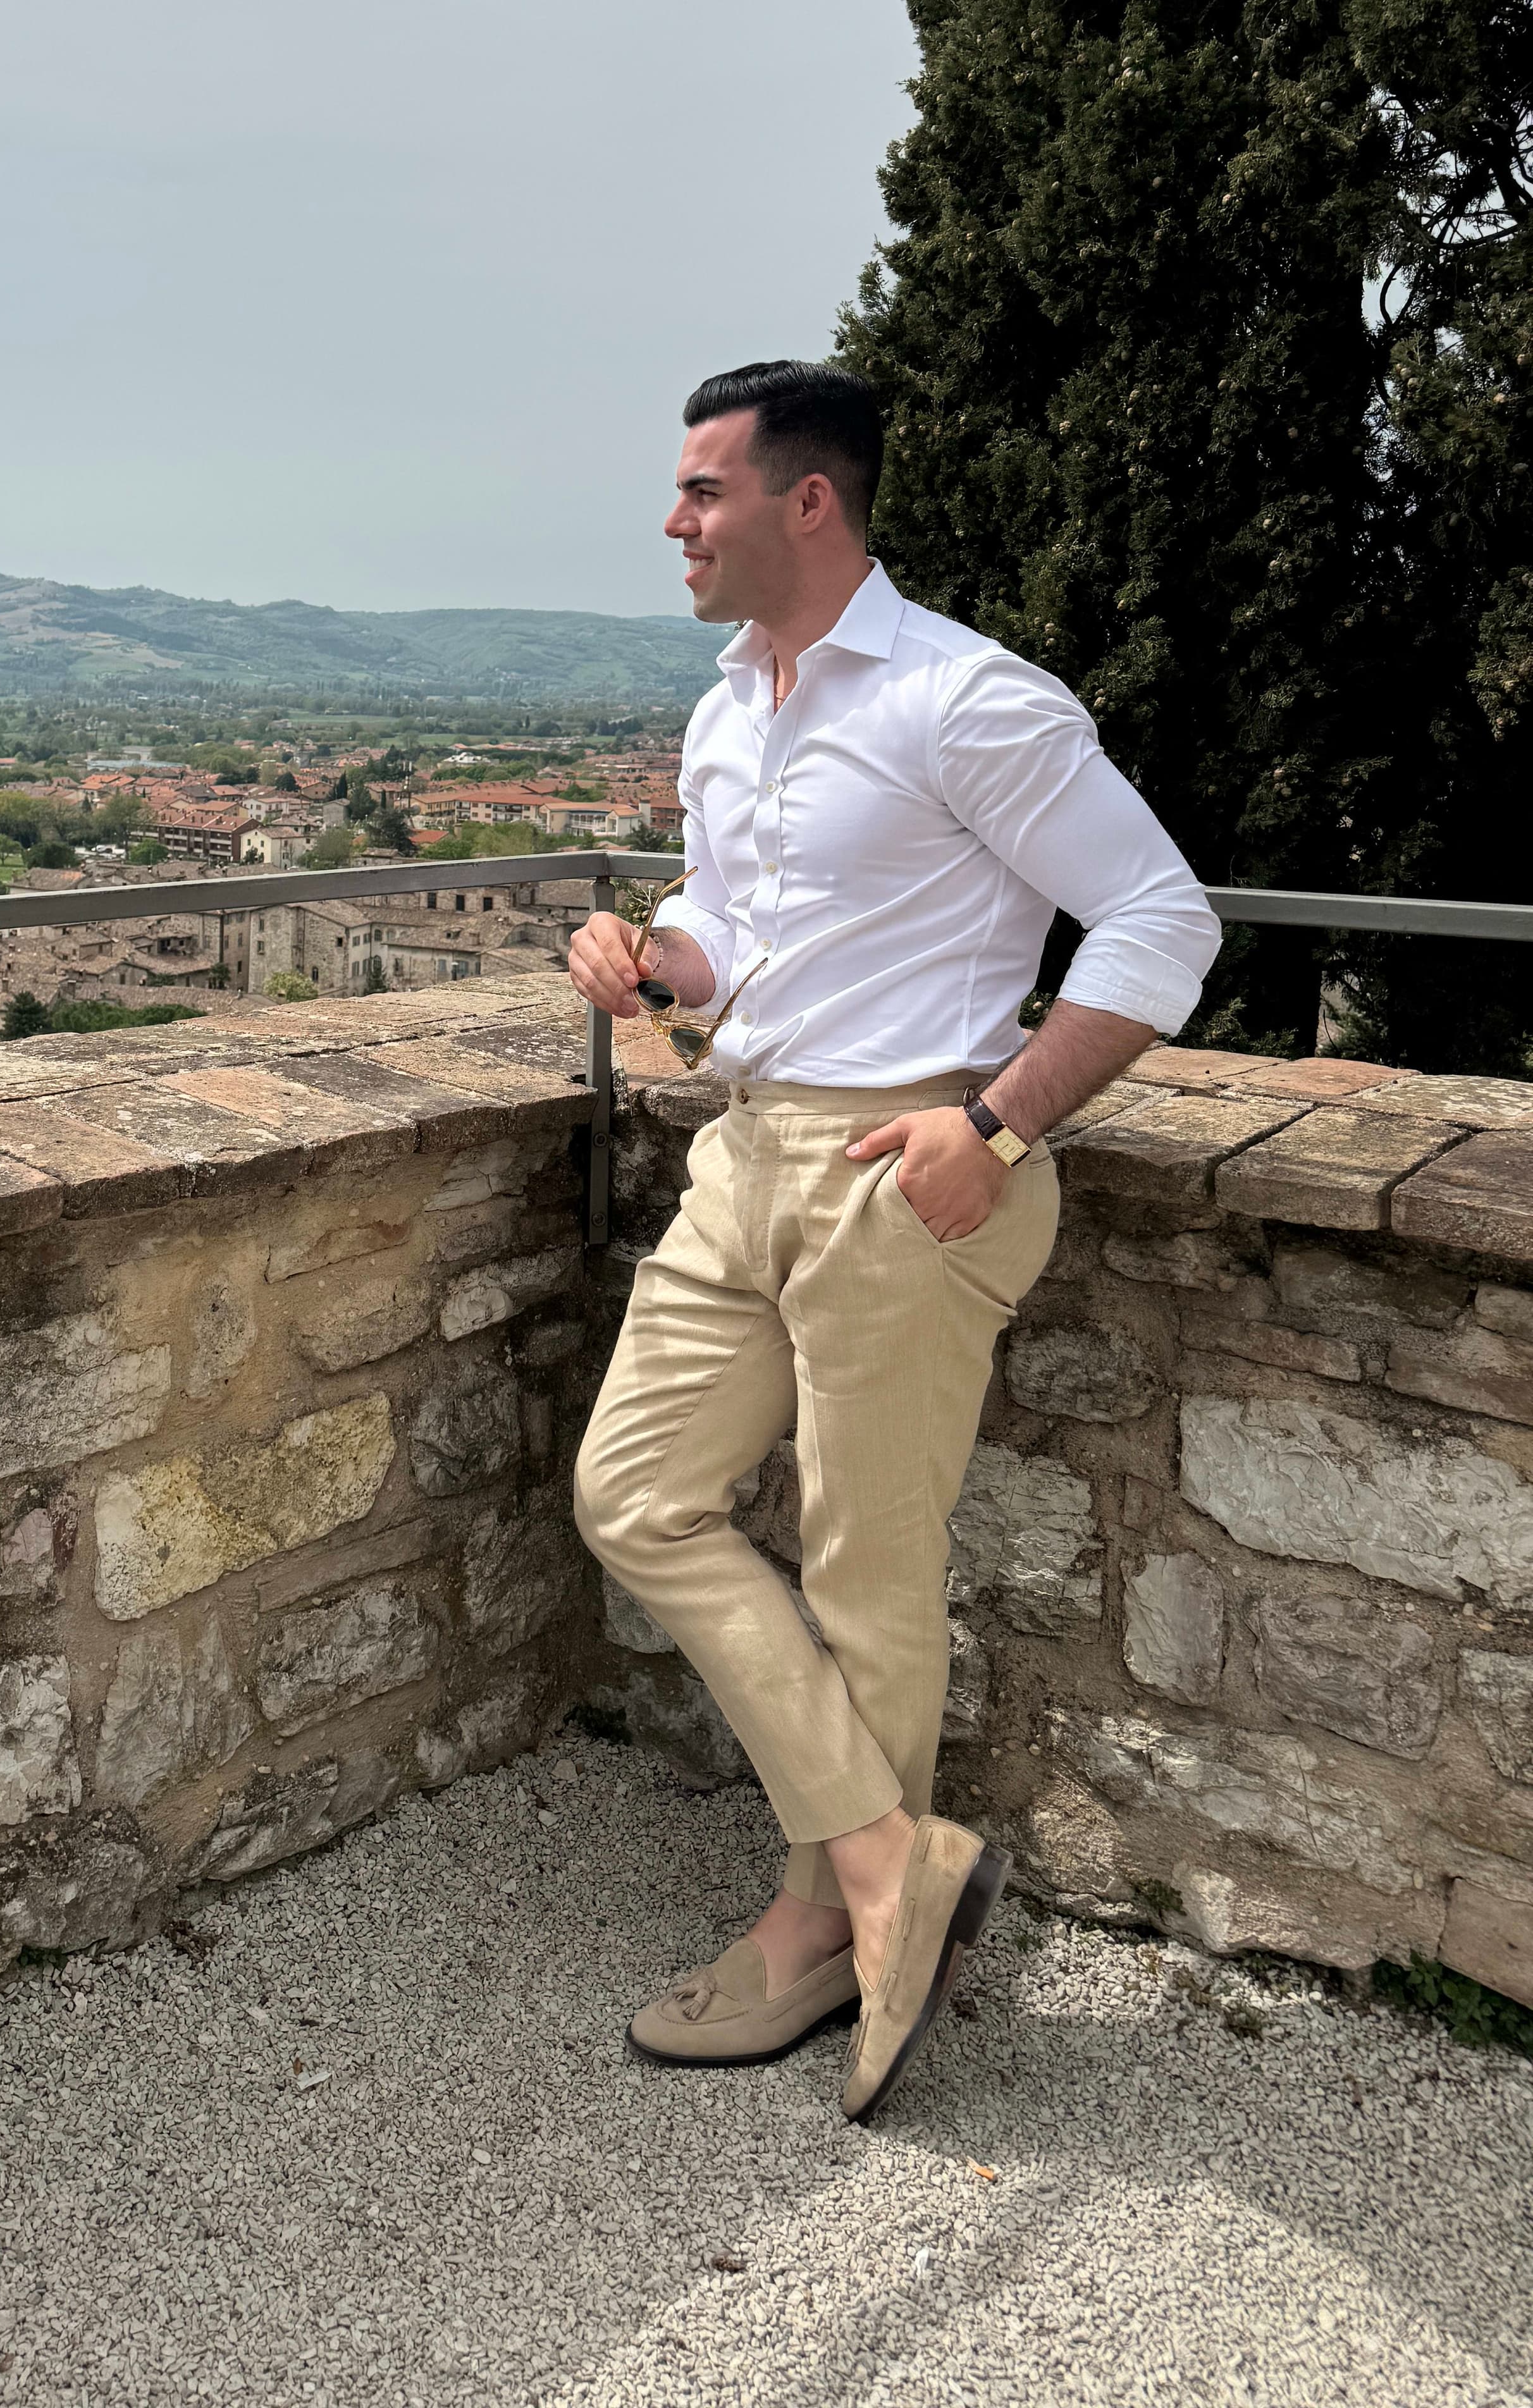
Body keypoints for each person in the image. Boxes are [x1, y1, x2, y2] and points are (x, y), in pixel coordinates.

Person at [569, 357, 1219, 2122]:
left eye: (703, 490)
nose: (673, 521)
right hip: (747, 1151)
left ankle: (812, 1929)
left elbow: (1163, 918)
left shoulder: (968, 701)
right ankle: (885, 1865)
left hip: (910, 1159)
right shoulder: (729, 706)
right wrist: (656, 957)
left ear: (809, 502)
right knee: (632, 1492)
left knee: (867, 1566)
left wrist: (998, 1124)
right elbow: (741, 932)